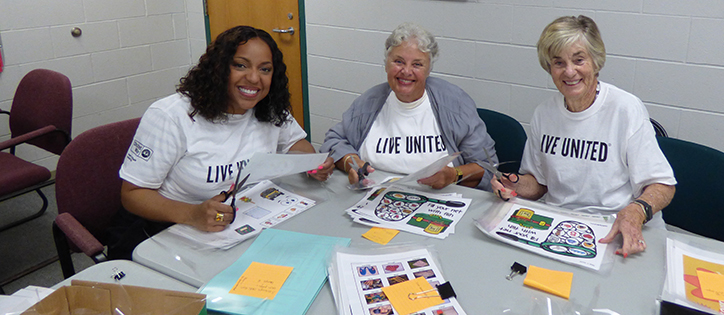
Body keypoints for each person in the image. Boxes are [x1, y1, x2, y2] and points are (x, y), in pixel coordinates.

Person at [113, 26, 334, 259]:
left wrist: (311, 164)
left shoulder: (269, 107)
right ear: (219, 68)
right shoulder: (172, 116)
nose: (254, 78)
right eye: (240, 65)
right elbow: (132, 194)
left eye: (265, 69)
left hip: (246, 223)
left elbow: (295, 144)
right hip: (176, 231)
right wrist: (192, 214)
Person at [491, 16, 676, 257]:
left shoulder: (626, 109)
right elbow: (538, 184)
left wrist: (636, 211)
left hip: (616, 230)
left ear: (596, 62)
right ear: (549, 68)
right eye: (558, 63)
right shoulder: (544, 113)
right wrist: (512, 185)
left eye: (579, 60)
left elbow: (663, 185)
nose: (569, 72)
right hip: (560, 227)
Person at [320, 22, 497, 191]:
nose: (406, 71)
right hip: (373, 199)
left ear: (429, 69)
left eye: (417, 64)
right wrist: (353, 164)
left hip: (437, 204)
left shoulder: (455, 104)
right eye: (398, 61)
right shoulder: (368, 102)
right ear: (386, 64)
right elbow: (334, 141)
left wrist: (454, 175)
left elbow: (488, 166)